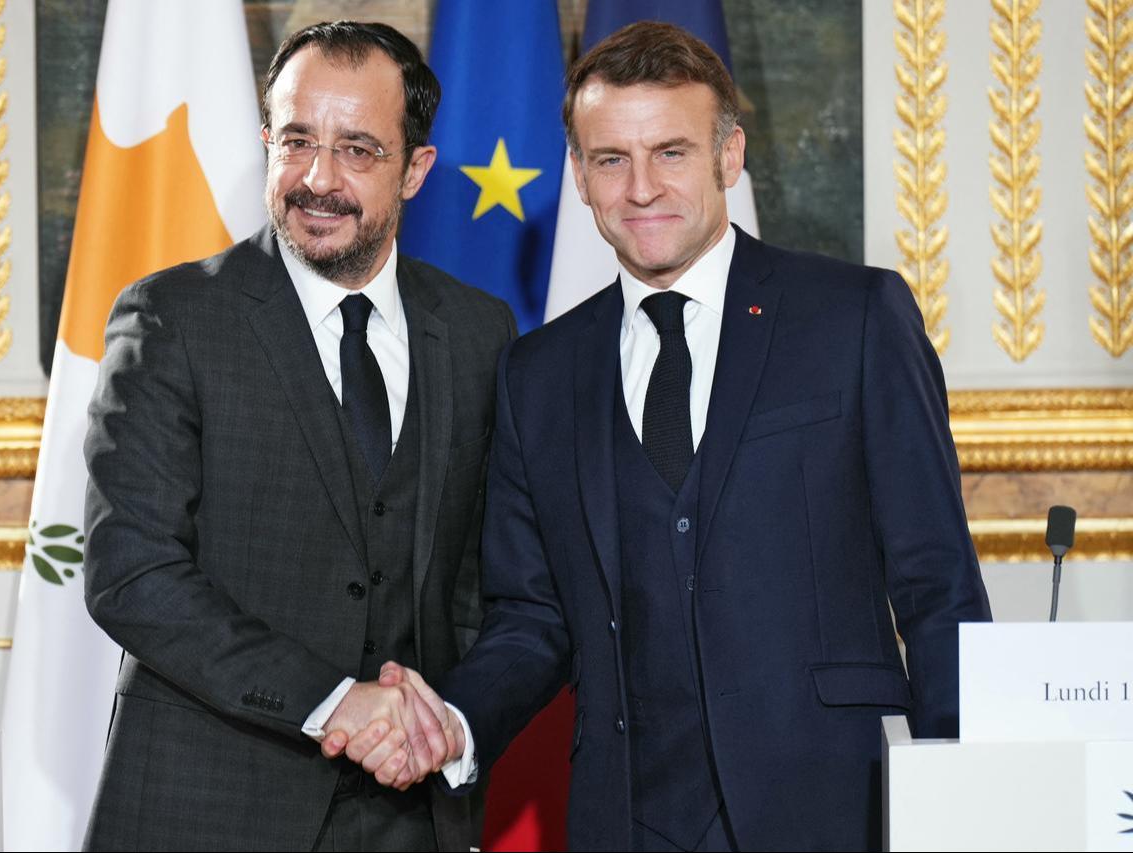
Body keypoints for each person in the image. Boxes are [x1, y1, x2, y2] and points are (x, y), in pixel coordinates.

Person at [335, 20, 992, 852]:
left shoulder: (856, 319)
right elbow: (532, 617)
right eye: (612, 159)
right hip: (627, 817)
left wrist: (969, 801)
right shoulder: (538, 373)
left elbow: (939, 587)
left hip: (833, 804)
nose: (642, 188)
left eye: (671, 152)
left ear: (729, 156)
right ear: (579, 176)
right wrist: (454, 722)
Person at [80, 20, 515, 852]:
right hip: (206, 809)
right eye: (297, 141)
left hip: (412, 811)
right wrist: (335, 702)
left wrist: (438, 721)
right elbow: (133, 571)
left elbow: (479, 578)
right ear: (266, 144)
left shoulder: (476, 331)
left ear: (415, 169)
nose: (319, 179)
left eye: (358, 150)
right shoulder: (171, 318)